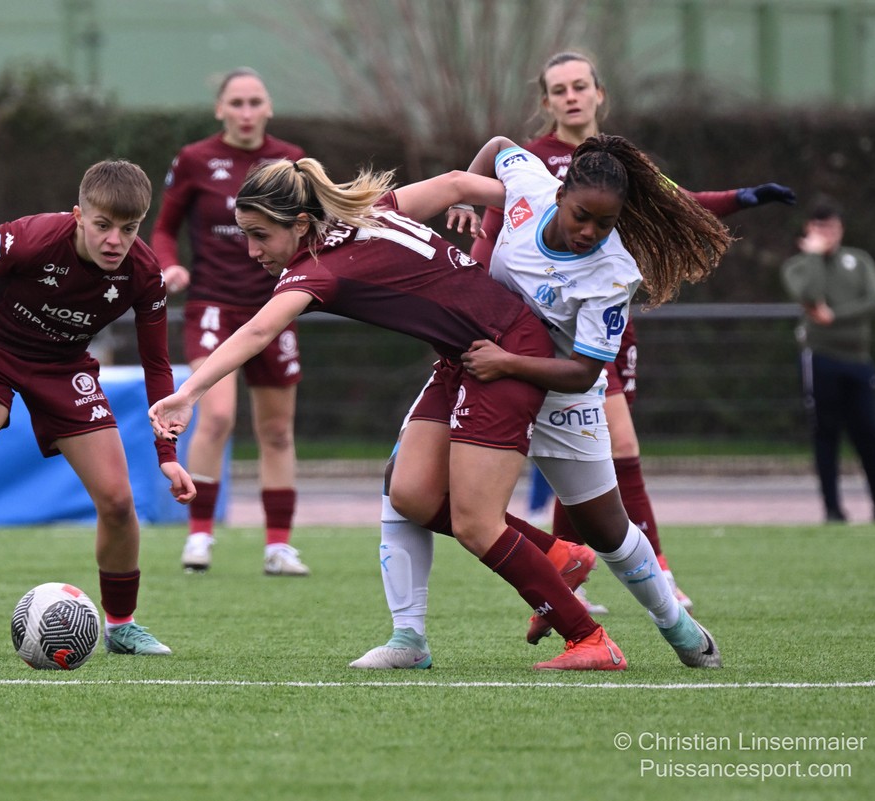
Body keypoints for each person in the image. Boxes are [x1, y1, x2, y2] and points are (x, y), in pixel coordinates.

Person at [151, 156, 628, 672]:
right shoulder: (367, 210)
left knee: (475, 524)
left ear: (302, 224)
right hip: (465, 356)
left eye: (260, 235)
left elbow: (258, 331)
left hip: (504, 352)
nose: (252, 250)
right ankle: (557, 556)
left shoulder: (317, 270)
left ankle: (590, 638)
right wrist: (533, 209)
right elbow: (455, 183)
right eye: (246, 235)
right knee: (411, 494)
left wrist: (188, 393)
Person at [370, 133, 731, 670]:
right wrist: (472, 200)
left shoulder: (612, 273)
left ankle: (678, 627)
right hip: (481, 372)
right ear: (560, 194)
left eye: (605, 224)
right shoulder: (530, 186)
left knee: (607, 529)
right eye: (582, 216)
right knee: (404, 486)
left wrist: (507, 362)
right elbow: (498, 146)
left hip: (560, 397)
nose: (589, 232)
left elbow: (584, 371)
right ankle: (408, 637)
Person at [465, 50, 796, 614]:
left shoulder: (622, 166)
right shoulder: (534, 161)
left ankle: (576, 575)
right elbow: (497, 234)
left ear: (600, 93)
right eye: (559, 89)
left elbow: (677, 205)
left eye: (580, 86)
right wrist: (472, 274)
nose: (571, 96)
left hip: (600, 329)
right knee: (612, 448)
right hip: (544, 336)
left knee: (593, 460)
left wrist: (743, 198)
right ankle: (649, 572)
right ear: (545, 102)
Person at [0, 160, 195, 656]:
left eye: (129, 228)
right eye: (102, 225)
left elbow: (156, 366)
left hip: (62, 365)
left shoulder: (143, 274)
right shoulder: (33, 239)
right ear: (78, 216)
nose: (115, 240)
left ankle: (121, 626)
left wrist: (168, 453)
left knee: (118, 501)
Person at [151, 67, 310, 577]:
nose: (246, 112)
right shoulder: (195, 159)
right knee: (216, 416)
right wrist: (169, 265)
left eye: (254, 102)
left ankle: (278, 547)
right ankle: (199, 535)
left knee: (277, 430)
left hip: (276, 305)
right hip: (213, 305)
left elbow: (314, 226)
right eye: (236, 103)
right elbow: (164, 229)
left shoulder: (291, 160)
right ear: (220, 109)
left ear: (269, 108)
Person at [781, 197, 875, 523]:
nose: (828, 234)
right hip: (820, 359)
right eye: (821, 228)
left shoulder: (859, 260)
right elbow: (810, 296)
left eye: (833, 228)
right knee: (826, 434)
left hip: (858, 360)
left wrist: (835, 315)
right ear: (809, 229)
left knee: (869, 433)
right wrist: (814, 256)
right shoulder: (798, 266)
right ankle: (833, 509)